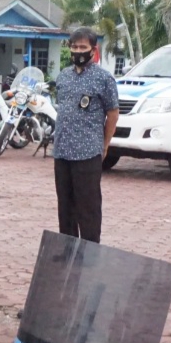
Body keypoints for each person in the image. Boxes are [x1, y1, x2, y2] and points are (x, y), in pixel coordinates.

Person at [51, 27, 118, 243]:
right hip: (62, 152)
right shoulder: (63, 77)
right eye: (74, 46)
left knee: (88, 208)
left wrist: (105, 144)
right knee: (65, 207)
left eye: (83, 47)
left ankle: (90, 254)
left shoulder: (103, 79)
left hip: (87, 153)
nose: (78, 51)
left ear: (93, 50)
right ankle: (68, 251)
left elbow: (113, 113)